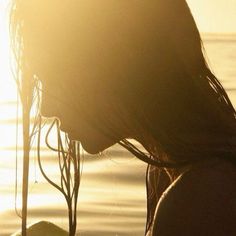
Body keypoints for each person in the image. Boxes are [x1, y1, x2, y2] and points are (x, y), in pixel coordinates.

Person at [11, 0, 236, 235]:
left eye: (54, 80)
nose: (46, 108)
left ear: (111, 64)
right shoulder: (166, 172)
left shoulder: (200, 200)